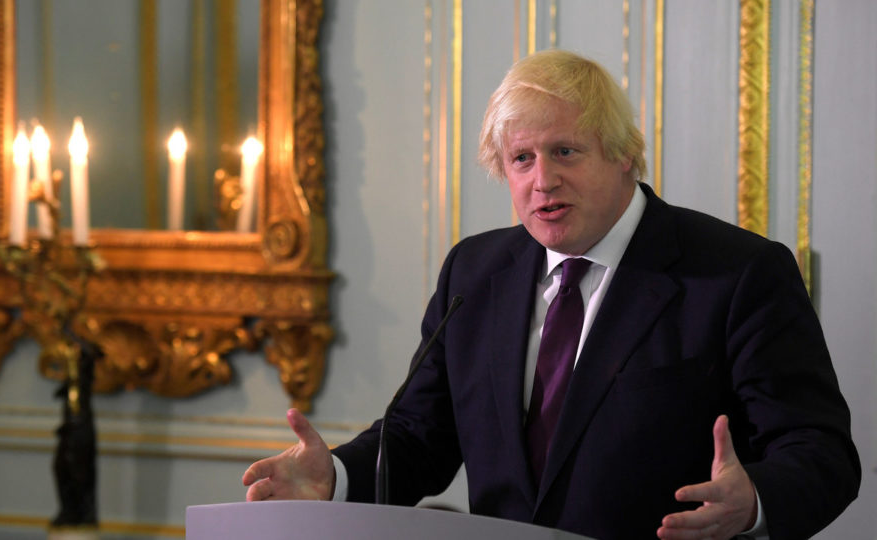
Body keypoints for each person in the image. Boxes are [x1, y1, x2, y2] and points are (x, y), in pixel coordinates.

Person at [243, 50, 860, 539]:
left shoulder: (737, 273)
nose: (543, 180)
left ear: (624, 155)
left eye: (565, 151)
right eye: (521, 159)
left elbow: (821, 453)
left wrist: (754, 503)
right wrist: (337, 475)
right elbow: (421, 435)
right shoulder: (474, 273)